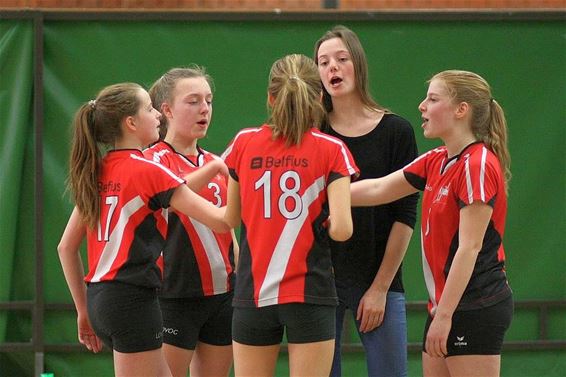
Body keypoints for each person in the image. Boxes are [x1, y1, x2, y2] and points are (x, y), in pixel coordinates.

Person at [57, 83, 229, 377]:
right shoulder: (148, 169)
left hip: (100, 300)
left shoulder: (97, 170)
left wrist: (83, 310)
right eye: (150, 108)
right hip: (132, 300)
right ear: (131, 123)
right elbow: (223, 221)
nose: (157, 115)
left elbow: (65, 248)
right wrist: (237, 176)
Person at [351, 70, 513, 377]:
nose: (422, 106)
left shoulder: (476, 164)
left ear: (460, 110)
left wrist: (445, 316)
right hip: (444, 307)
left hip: (473, 304)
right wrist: (318, 195)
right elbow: (377, 189)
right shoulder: (437, 160)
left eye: (433, 99)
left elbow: (470, 247)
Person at [221, 53, 359, 377]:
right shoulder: (331, 149)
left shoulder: (243, 143)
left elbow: (230, 217)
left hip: (252, 294)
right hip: (310, 293)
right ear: (320, 97)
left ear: (270, 97)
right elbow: (342, 229)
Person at [314, 25, 419, 377]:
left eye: (341, 59)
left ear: (358, 64)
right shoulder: (312, 132)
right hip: (320, 280)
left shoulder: (396, 131)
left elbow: (405, 215)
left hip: (379, 278)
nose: (333, 68)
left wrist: (380, 287)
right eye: (324, 62)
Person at [143, 66, 236, 377]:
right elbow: (169, 195)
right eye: (193, 101)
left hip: (223, 295)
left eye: (208, 101)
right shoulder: (151, 160)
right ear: (166, 109)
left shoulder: (212, 162)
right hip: (173, 295)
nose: (205, 109)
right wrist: (215, 170)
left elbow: (228, 228)